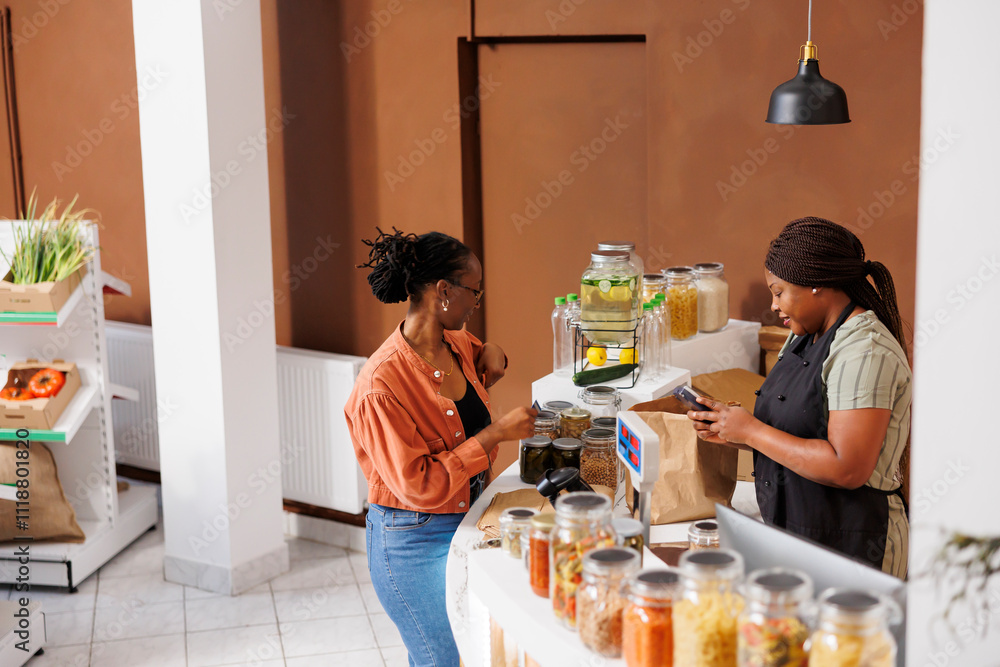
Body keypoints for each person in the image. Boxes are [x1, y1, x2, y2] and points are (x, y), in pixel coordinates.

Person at [345, 228, 536, 666]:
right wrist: (494, 435)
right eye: (475, 290)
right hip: (412, 542)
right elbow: (422, 485)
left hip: (465, 520)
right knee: (442, 659)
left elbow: (488, 351)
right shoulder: (380, 386)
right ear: (444, 291)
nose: (478, 301)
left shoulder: (453, 345)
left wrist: (494, 352)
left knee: (476, 650)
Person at [688, 217, 911, 578]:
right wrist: (732, 432)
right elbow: (804, 434)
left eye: (779, 292)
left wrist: (752, 433)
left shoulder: (864, 350)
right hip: (801, 536)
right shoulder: (805, 335)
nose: (774, 305)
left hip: (856, 545)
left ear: (817, 286)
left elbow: (846, 466)